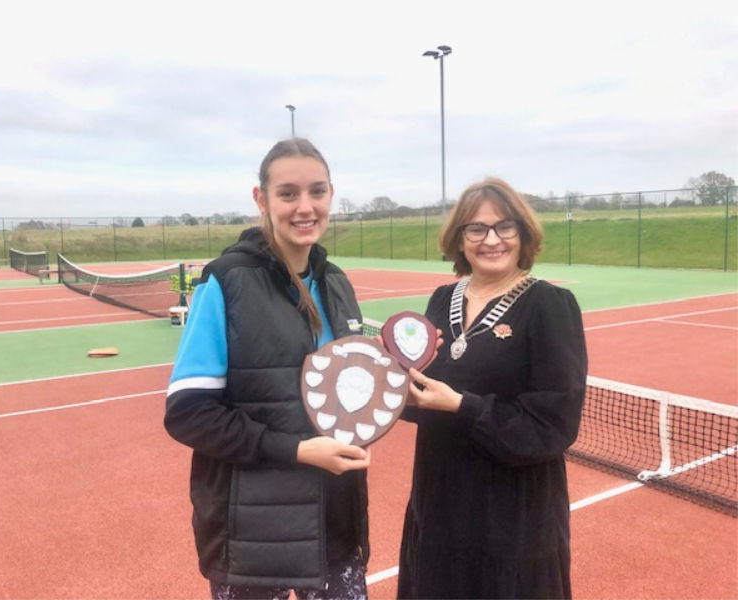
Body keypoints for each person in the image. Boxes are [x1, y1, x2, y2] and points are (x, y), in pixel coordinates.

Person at [164, 138, 371, 600]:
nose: (305, 207)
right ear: (262, 199)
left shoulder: (337, 283)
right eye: (288, 193)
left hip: (335, 530)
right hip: (252, 541)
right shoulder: (225, 281)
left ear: (331, 196)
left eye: (317, 192)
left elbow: (351, 387)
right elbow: (188, 413)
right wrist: (297, 451)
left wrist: (398, 378)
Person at [396, 177, 588, 599]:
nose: (491, 239)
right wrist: (403, 394)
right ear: (460, 239)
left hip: (513, 516)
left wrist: (463, 407)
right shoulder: (440, 299)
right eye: (476, 229)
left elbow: (554, 426)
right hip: (440, 501)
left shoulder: (550, 307)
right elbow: (425, 392)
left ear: (522, 232)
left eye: (504, 227)